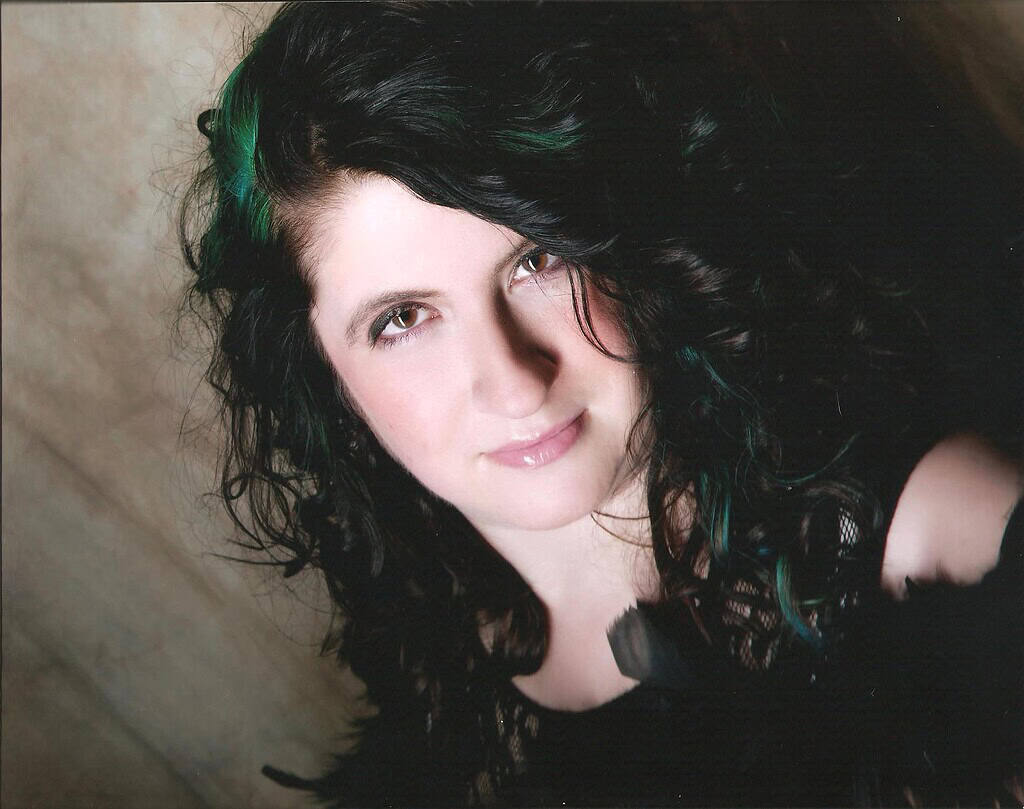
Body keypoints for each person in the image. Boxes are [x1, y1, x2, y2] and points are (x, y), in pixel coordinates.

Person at [179, 3, 1022, 806]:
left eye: (536, 260)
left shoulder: (939, 536)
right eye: (403, 319)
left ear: (629, 240)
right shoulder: (442, 654)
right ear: (320, 368)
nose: (511, 380)